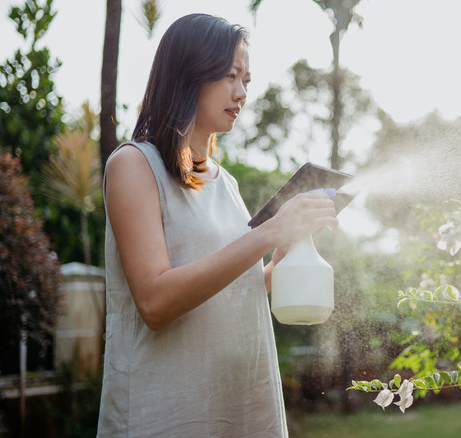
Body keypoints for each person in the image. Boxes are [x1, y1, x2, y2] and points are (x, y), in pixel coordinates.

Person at [96, 13, 337, 437]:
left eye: (247, 80)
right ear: (190, 73)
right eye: (230, 75)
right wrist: (267, 232)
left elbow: (232, 286)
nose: (242, 92)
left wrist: (279, 260)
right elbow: (155, 302)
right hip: (167, 412)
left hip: (238, 406)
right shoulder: (134, 165)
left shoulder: (225, 182)